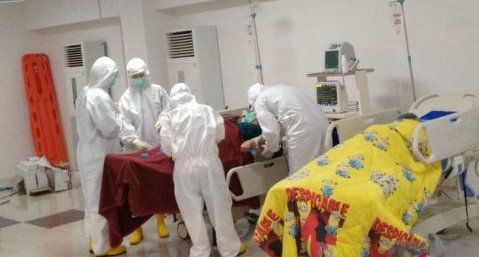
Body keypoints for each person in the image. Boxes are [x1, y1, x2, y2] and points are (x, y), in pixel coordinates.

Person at [159, 83, 245, 257]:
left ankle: (200, 250)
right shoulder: (207, 110)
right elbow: (220, 135)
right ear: (190, 94)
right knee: (219, 206)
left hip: (183, 168)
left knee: (190, 210)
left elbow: (166, 148)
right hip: (209, 163)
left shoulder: (169, 117)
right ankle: (229, 248)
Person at [76, 56, 127, 256]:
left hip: (87, 152)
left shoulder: (84, 93)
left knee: (90, 199)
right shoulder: (99, 97)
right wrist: (120, 117)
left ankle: (93, 240)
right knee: (101, 199)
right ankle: (103, 246)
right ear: (105, 75)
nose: (114, 79)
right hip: (99, 155)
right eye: (113, 75)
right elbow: (110, 128)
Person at [118, 57, 171, 244]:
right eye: (135, 76)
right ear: (129, 77)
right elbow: (123, 123)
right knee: (136, 188)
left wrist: (163, 118)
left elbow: (168, 108)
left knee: (157, 185)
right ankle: (136, 228)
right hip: (135, 149)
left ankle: (160, 221)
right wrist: (134, 140)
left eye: (141, 75)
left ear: (146, 72)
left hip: (158, 145)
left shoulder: (158, 91)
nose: (138, 78)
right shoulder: (125, 98)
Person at [241, 83, 329, 174]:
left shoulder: (259, 101)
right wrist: (257, 140)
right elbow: (281, 124)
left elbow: (271, 132)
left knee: (299, 174)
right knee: (320, 169)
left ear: (252, 103)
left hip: (302, 131)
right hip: (323, 124)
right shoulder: (278, 90)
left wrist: (269, 150)